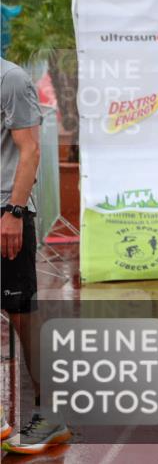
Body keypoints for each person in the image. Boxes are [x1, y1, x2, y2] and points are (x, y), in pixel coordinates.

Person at [1, 57, 71, 455]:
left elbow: (29, 151)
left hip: (5, 214)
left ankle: (52, 414)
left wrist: (13, 212)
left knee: (23, 315)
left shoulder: (10, 79)